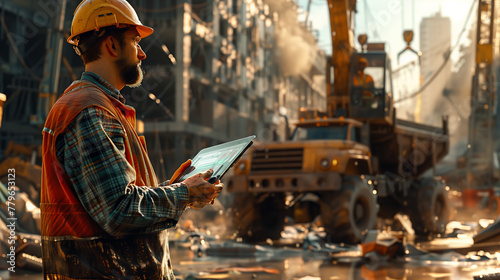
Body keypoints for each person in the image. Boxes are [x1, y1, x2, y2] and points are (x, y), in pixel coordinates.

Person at [41, 0, 222, 279]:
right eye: (135, 42)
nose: (142, 54)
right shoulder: (90, 110)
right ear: (112, 46)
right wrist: (183, 192)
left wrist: (176, 191)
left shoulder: (97, 106)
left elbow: (111, 201)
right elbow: (118, 211)